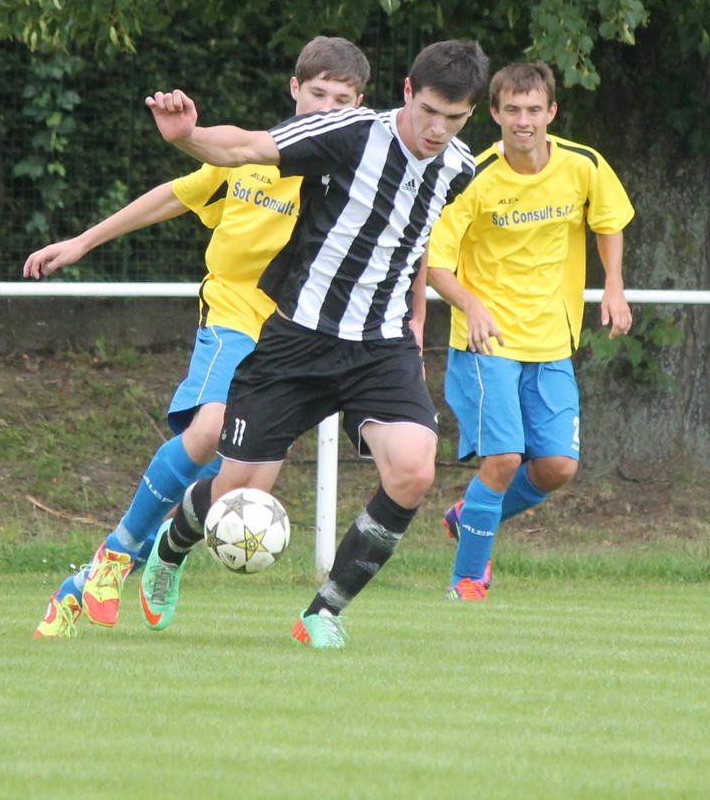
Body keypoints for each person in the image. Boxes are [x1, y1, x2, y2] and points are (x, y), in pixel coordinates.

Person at [133, 39, 488, 650]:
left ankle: (323, 612)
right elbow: (247, 146)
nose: (437, 129)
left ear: (470, 113)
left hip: (380, 346)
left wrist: (417, 313)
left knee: (413, 470)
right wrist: (187, 136)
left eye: (453, 118)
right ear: (407, 92)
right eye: (429, 110)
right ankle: (170, 547)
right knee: (237, 492)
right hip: (298, 338)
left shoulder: (459, 167)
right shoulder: (349, 132)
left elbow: (415, 236)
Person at [26, 38, 372, 638]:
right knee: (209, 428)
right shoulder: (252, 154)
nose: (324, 109)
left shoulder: (356, 176)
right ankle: (114, 557)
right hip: (232, 313)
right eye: (317, 94)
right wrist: (82, 242)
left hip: (294, 336)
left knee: (239, 488)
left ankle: (105, 576)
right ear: (294, 89)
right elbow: (175, 194)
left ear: (359, 106)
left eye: (340, 101)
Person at [424, 61, 635, 600]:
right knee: (502, 460)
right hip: (486, 341)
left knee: (558, 467)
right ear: (494, 114)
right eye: (513, 110)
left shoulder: (583, 165)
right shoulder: (471, 176)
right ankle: (467, 580)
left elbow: (608, 220)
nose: (524, 120)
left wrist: (613, 285)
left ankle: (470, 515)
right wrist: (471, 305)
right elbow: (435, 263)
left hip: (550, 341)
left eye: (534, 109)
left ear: (551, 112)